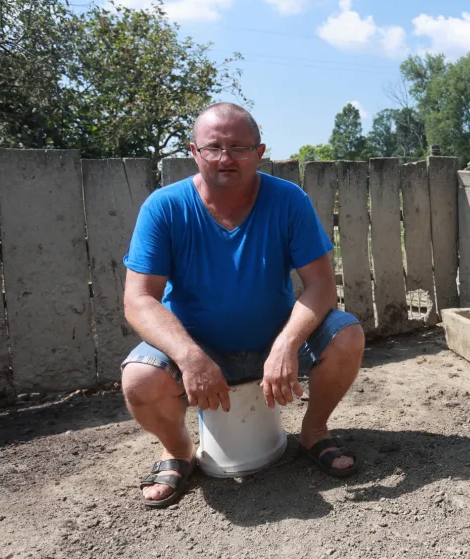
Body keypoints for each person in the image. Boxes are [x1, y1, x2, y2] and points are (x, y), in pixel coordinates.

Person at [119, 103, 365, 508]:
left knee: (347, 333)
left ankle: (315, 431)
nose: (225, 158)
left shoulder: (289, 201)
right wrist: (189, 357)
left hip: (275, 338)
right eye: (213, 147)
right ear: (194, 151)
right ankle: (179, 450)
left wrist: (286, 345)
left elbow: (320, 284)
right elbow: (138, 299)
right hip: (198, 345)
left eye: (239, 147)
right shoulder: (164, 207)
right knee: (139, 380)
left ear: (260, 151)